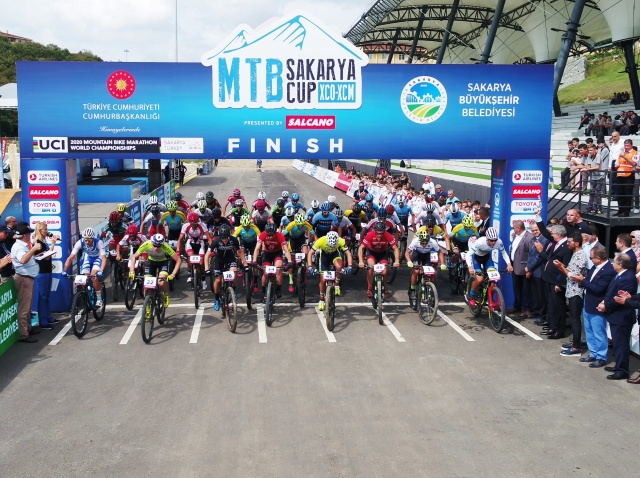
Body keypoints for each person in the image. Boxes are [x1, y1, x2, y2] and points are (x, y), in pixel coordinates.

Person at [570, 245, 614, 368]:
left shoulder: (608, 270)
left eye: (591, 258)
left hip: (597, 305)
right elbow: (589, 282)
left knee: (598, 332)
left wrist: (582, 281)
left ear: (598, 258)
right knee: (589, 330)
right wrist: (582, 280)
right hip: (588, 302)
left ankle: (601, 356)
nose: (590, 259)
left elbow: (599, 289)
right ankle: (593, 353)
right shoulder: (594, 267)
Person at [598, 253, 637, 380]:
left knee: (621, 345)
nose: (611, 263)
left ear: (620, 265)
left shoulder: (627, 277)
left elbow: (618, 299)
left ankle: (622, 371)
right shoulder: (619, 275)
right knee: (617, 344)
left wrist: (606, 306)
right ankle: (618, 365)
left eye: (613, 261)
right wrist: (604, 302)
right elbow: (610, 292)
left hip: (622, 317)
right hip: (616, 316)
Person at [534, 215, 572, 339]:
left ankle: (559, 330)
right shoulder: (556, 242)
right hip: (548, 278)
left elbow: (565, 266)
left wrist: (559, 283)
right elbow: (545, 232)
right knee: (551, 305)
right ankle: (552, 326)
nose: (551, 235)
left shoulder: (566, 247)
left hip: (556, 281)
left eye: (553, 233)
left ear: (559, 235)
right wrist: (538, 217)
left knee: (558, 306)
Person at [553, 233, 587, 356]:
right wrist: (561, 266)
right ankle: (575, 342)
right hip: (571, 290)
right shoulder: (575, 254)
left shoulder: (580, 256)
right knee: (574, 319)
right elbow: (570, 271)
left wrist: (561, 267)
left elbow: (574, 276)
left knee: (575, 319)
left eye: (569, 242)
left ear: (576, 243)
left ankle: (577, 347)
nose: (567, 244)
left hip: (577, 292)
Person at [130, 234, 181, 314]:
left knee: (161, 282)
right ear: (152, 242)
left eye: (158, 246)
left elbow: (178, 260)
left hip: (163, 263)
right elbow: (134, 257)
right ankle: (147, 305)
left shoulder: (166, 246)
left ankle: (166, 295)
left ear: (162, 244)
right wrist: (132, 270)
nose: (156, 248)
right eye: (154, 245)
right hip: (151, 262)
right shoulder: (147, 244)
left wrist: (173, 274)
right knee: (146, 285)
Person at [466, 227, 513, 305]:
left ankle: (490, 298)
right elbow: (469, 254)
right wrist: (470, 266)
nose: (494, 242)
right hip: (476, 259)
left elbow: (504, 253)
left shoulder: (499, 242)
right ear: (487, 239)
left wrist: (509, 264)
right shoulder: (480, 242)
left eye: (495, 240)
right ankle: (471, 294)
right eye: (491, 240)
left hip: (487, 258)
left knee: (493, 280)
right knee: (480, 279)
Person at [11, 223, 41, 343]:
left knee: (28, 306)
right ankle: (23, 334)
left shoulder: (22, 245)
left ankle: (28, 328)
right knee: (24, 308)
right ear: (25, 235)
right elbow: (23, 260)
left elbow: (26, 258)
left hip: (28, 278)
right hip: (24, 279)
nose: (30, 235)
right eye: (29, 234)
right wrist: (34, 249)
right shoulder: (19, 247)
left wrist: (35, 256)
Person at [308, 231, 352, 310]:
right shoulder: (321, 240)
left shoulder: (340, 240)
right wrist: (310, 266)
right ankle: (321, 300)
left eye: (334, 245)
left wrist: (350, 266)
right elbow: (310, 253)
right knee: (323, 280)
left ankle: (337, 284)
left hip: (335, 254)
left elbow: (348, 253)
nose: (331, 247)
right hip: (324, 256)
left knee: (339, 267)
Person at [358, 221, 400, 298]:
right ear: (375, 231)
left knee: (384, 271)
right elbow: (361, 248)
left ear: (384, 231)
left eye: (381, 233)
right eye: (378, 233)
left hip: (382, 254)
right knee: (370, 268)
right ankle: (369, 288)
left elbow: (395, 249)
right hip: (372, 253)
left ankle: (385, 288)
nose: (379, 235)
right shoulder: (370, 235)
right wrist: (361, 261)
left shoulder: (388, 235)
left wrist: (397, 260)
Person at [210, 224, 243, 312]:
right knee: (218, 280)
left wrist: (245, 264)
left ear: (229, 236)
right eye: (223, 238)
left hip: (230, 258)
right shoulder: (216, 241)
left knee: (234, 274)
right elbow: (207, 255)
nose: (224, 240)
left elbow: (240, 252)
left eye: (226, 238)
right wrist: (206, 268)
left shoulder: (233, 240)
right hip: (219, 260)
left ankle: (233, 291)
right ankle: (216, 299)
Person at [33, 222, 58, 330]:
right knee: (42, 297)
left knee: (47, 296)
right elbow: (46, 258)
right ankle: (43, 322)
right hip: (41, 272)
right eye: (45, 229)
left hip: (47, 271)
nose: (47, 231)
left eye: (47, 229)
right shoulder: (38, 242)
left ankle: (49, 317)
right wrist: (53, 244)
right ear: (40, 231)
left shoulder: (43, 241)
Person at [508, 220, 533, 316]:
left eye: (513, 228)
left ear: (518, 228)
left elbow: (531, 254)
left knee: (526, 290)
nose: (513, 229)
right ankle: (517, 307)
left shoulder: (529, 238)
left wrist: (529, 268)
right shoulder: (515, 235)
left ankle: (526, 309)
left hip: (524, 268)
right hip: (515, 266)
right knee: (516, 288)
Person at [525, 221, 549, 322]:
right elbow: (530, 255)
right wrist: (528, 267)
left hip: (540, 271)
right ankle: (536, 311)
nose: (535, 232)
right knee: (535, 294)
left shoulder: (545, 240)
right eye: (533, 230)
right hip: (533, 271)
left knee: (541, 295)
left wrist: (529, 268)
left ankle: (542, 314)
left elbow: (539, 257)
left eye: (536, 230)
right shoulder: (533, 239)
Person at [613, 139, 636, 217]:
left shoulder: (635, 153)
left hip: (629, 175)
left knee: (627, 194)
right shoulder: (622, 153)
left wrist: (624, 157)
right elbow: (617, 163)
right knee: (619, 194)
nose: (626, 147)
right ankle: (620, 210)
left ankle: (626, 212)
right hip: (620, 175)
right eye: (625, 145)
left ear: (631, 145)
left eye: (627, 145)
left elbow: (634, 163)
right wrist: (616, 165)